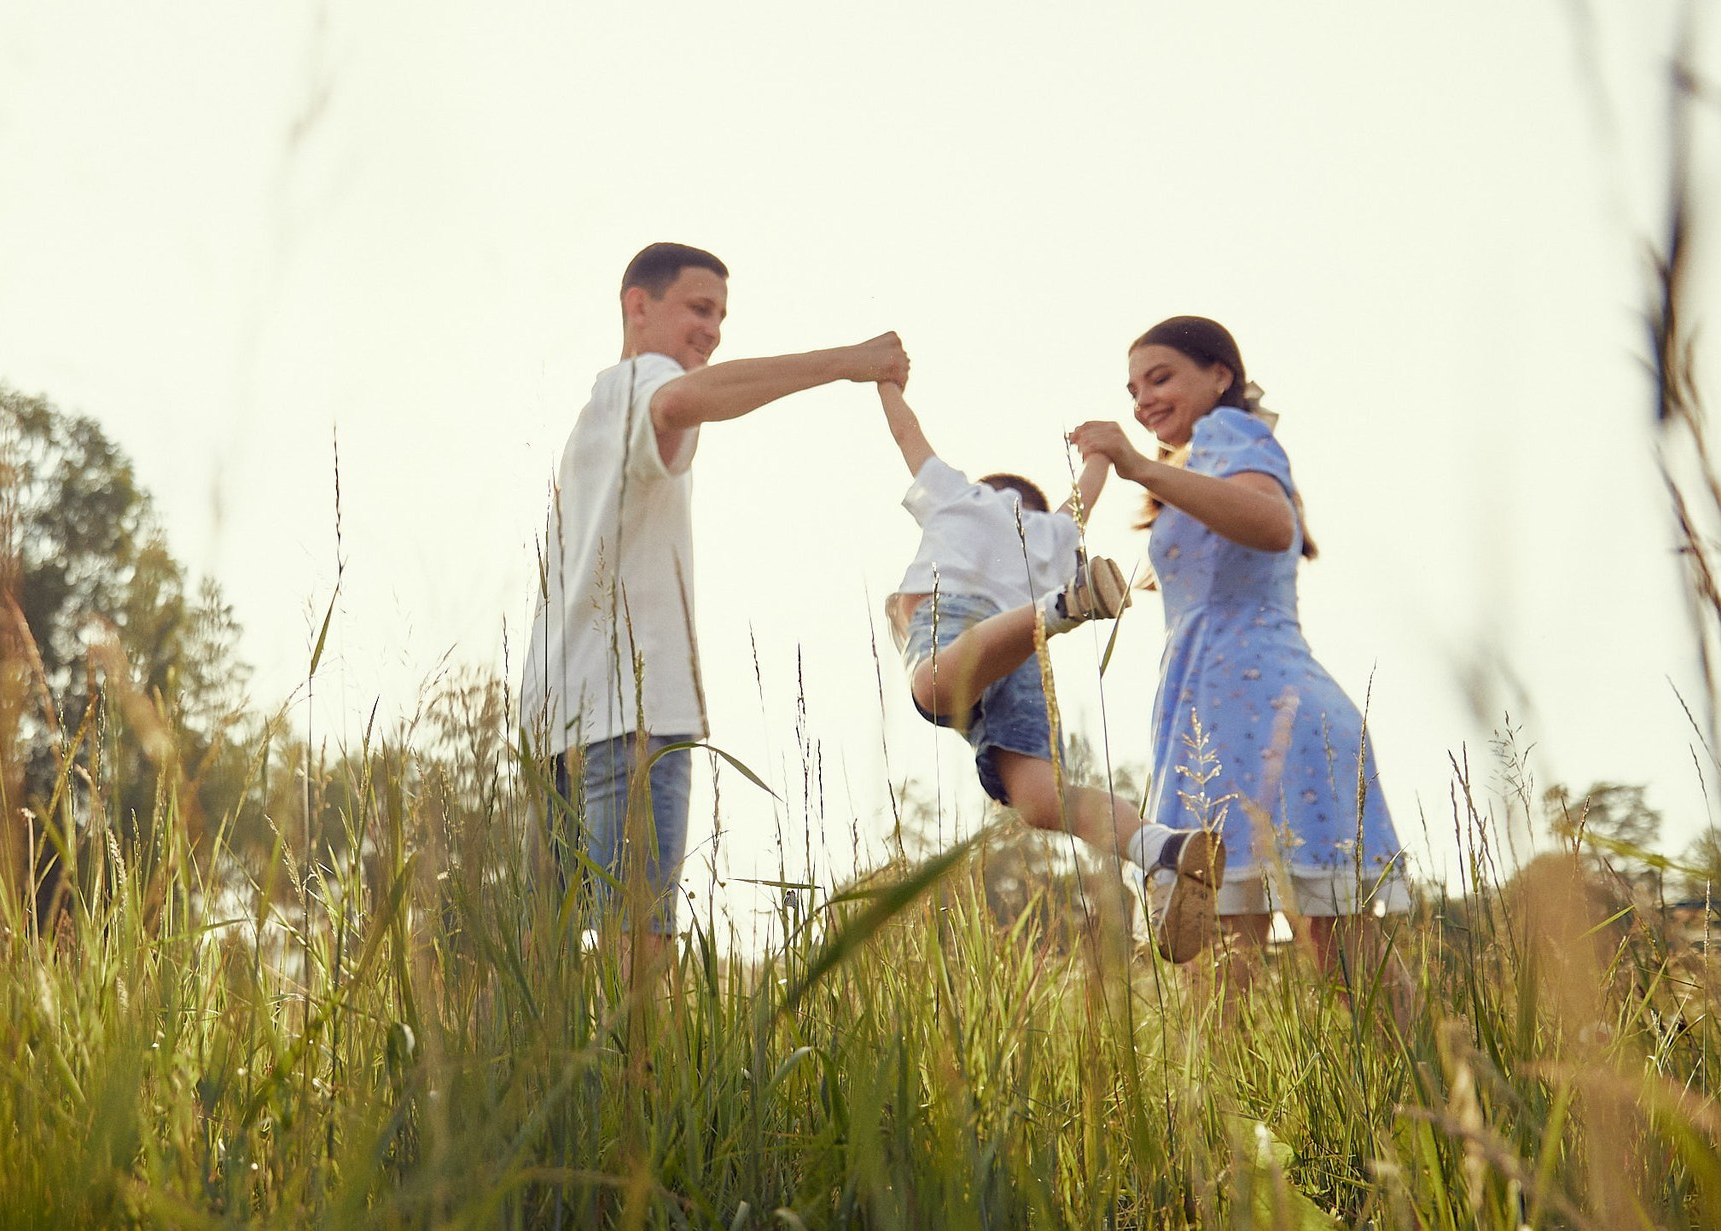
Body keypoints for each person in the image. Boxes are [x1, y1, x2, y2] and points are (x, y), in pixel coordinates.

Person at [519, 242, 909, 954]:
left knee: (547, 973)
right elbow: (678, 400)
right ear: (638, 305)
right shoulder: (647, 385)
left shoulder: (596, 410)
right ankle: (637, 1075)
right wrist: (849, 362)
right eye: (699, 308)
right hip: (632, 723)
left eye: (722, 316)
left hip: (555, 724)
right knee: (637, 966)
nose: (714, 330)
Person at [1069, 316, 1411, 1002]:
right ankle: (1426, 1088)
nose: (1143, 401)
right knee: (1256, 953)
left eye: (1160, 377)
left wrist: (1134, 462)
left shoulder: (1231, 434)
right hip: (1220, 714)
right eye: (1134, 389)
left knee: (1287, 951)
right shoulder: (1194, 466)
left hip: (1260, 712)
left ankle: (1430, 1093)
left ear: (1220, 375)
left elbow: (1272, 521)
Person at [876, 381, 1223, 962]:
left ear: (987, 494)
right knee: (1042, 800)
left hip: (971, 621)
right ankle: (1161, 849)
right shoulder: (1058, 532)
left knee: (933, 684)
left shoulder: (958, 498)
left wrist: (885, 377)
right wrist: (1096, 452)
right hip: (1023, 650)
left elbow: (906, 432)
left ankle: (1060, 608)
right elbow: (1086, 493)